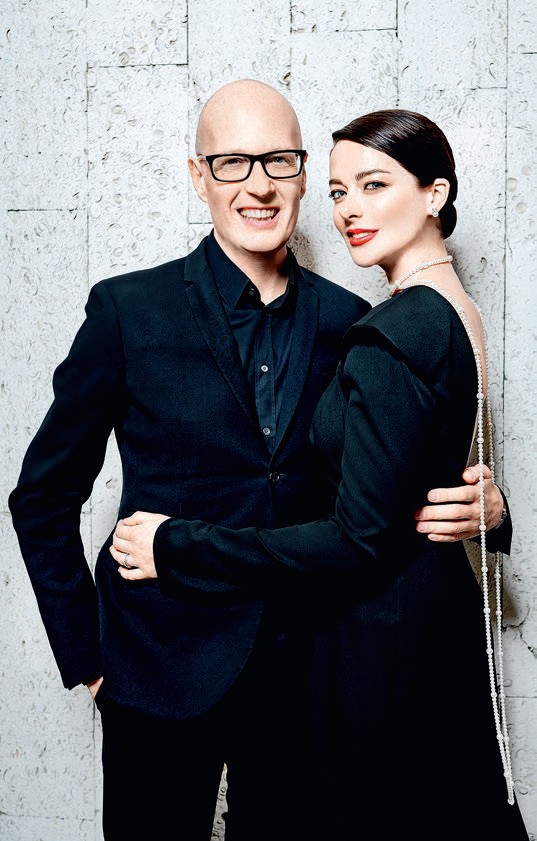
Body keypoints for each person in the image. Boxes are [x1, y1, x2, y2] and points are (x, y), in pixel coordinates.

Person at [9, 81, 508, 841]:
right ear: (198, 175)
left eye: (279, 160)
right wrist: (89, 658)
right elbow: (42, 496)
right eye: (232, 162)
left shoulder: (353, 322)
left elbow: (380, 486)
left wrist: (488, 510)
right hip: (156, 669)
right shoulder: (127, 311)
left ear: (302, 175)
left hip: (305, 674)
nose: (259, 184)